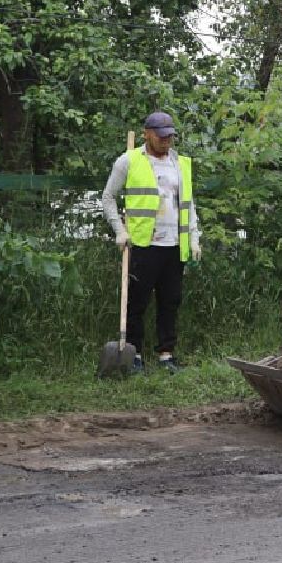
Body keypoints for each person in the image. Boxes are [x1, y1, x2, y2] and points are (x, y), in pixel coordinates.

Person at [101, 111, 202, 373]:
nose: (166, 141)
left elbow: (188, 204)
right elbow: (108, 197)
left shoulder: (181, 163)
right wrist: (119, 230)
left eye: (170, 136)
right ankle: (133, 354)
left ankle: (166, 354)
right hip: (143, 244)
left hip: (174, 245)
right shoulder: (129, 160)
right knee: (137, 301)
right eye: (161, 136)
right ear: (147, 134)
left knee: (171, 300)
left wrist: (194, 236)